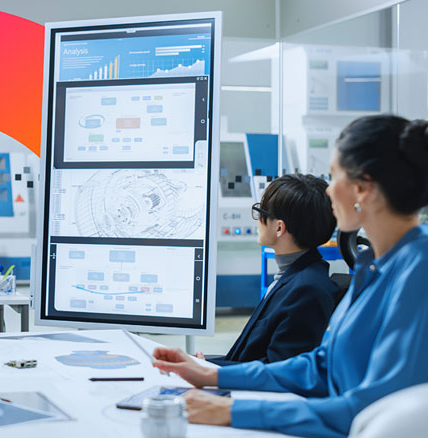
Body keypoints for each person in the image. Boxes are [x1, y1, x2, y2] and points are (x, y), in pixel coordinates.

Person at [151, 115, 428, 438]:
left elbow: (375, 408)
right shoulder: (373, 264)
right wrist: (212, 374)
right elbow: (320, 367)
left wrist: (234, 410)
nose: (327, 192)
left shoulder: (419, 271)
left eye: (333, 176)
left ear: (361, 189)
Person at [201, 174, 337, 366]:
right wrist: (205, 364)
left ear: (279, 228)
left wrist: (210, 371)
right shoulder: (294, 277)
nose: (257, 220)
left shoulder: (307, 290)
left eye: (260, 212)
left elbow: (278, 370)